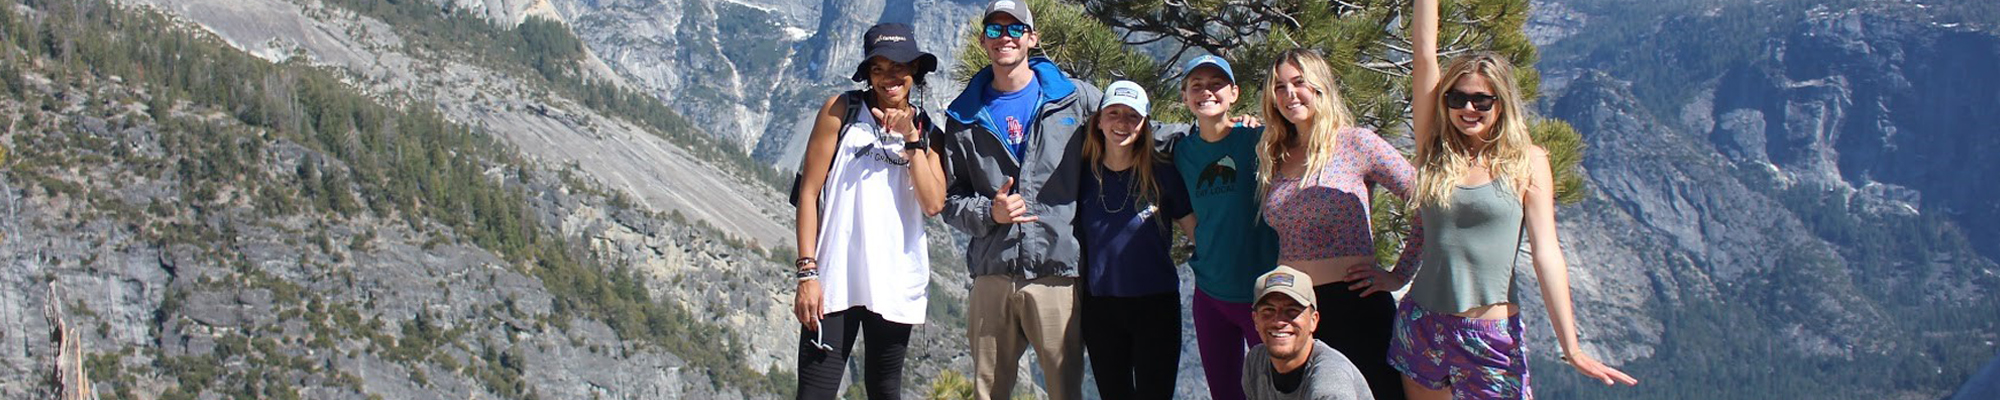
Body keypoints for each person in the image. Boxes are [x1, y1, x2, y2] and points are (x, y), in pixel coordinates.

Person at [1377, 1, 1640, 398]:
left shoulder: (1527, 162)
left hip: (1490, 334)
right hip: (1422, 325)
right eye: (1457, 98)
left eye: (1482, 100)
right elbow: (1424, 51)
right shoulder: (1434, 147)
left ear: (1501, 105)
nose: (1468, 108)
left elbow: (1546, 253)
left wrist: (1571, 345)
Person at [937, 1, 1102, 399]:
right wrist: (989, 212)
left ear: (1032, 38)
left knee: (1065, 390)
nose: (1004, 38)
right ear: (983, 41)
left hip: (1056, 273)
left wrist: (1216, 131)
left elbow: (1134, 130)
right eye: (995, 30)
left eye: (1015, 29)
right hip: (993, 274)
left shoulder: (1074, 100)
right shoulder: (963, 117)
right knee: (988, 391)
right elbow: (949, 199)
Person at [790, 22, 948, 400]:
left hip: (895, 285)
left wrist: (911, 139)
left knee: (885, 391)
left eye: (897, 68)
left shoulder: (929, 134)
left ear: (915, 71)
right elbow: (809, 193)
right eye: (877, 69)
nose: (888, 78)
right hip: (833, 282)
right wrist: (807, 273)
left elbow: (933, 203)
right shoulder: (842, 111)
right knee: (814, 393)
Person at [1256, 48, 1422, 400]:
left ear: (1320, 87)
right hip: (1296, 311)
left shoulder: (1356, 143)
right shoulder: (1274, 154)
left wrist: (1400, 273)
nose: (1289, 94)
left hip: (1356, 304)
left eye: (1299, 83)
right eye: (1280, 87)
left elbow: (1429, 203)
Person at [1169, 54, 1284, 400]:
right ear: (1184, 96)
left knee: (1276, 390)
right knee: (1225, 393)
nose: (1206, 92)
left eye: (1216, 84)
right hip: (1210, 293)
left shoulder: (1258, 141)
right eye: (1196, 86)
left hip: (1262, 293)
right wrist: (1198, 236)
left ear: (1233, 93)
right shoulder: (1182, 152)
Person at [1075, 80, 1194, 400]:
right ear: (1099, 120)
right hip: (1100, 309)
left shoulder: (1162, 173)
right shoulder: (1081, 174)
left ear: (1144, 125)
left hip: (1156, 305)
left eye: (1132, 116)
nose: (1122, 123)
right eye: (1114, 113)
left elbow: (1196, 229)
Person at [1243, 265, 1377, 400]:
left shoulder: (1330, 386)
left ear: (1314, 320)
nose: (1278, 321)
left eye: (1292, 311)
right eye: (1268, 310)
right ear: (1255, 319)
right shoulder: (1255, 361)